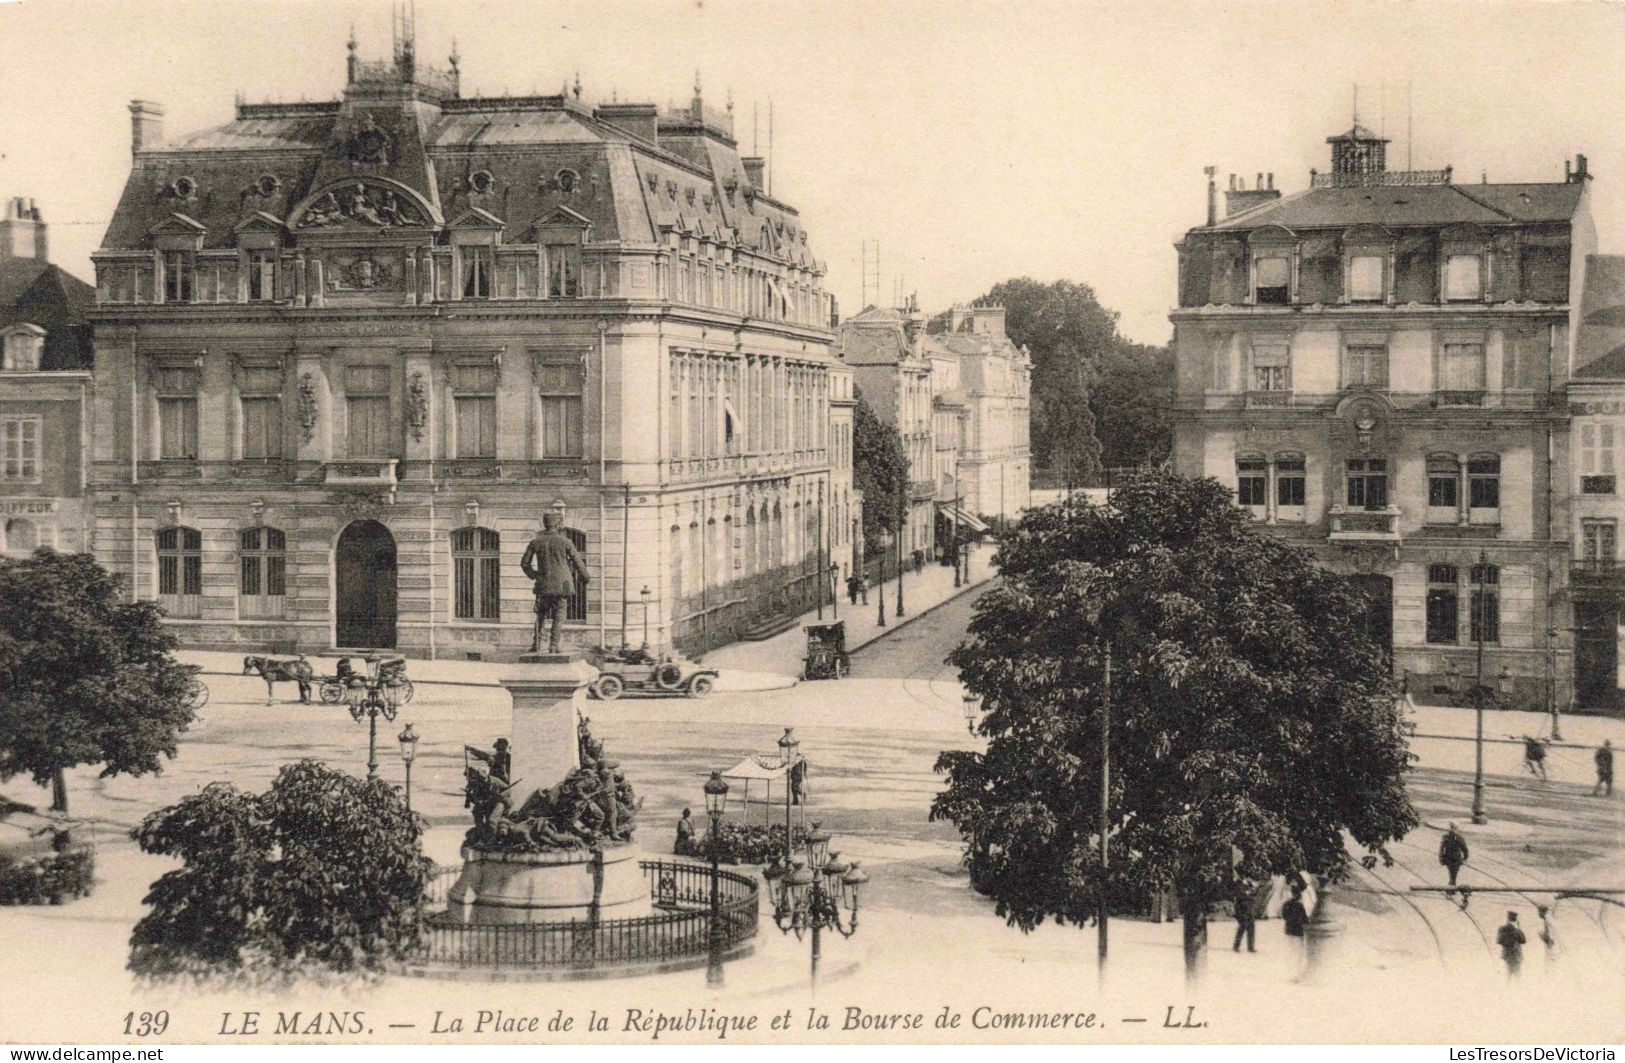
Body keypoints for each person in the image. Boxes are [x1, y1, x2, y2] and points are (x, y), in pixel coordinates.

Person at [521, 512, 590, 654]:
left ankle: (537, 644)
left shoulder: (536, 542)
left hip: (543, 585)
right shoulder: (565, 541)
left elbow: (524, 564)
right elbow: (578, 562)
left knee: (541, 615)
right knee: (559, 615)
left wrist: (535, 576)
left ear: (545, 524)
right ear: (557, 524)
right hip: (562, 586)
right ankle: (553, 645)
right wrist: (585, 578)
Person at [1439, 823, 1469, 889]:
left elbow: (1441, 849)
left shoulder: (1446, 837)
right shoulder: (1460, 838)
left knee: (1452, 874)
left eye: (1453, 828)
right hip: (1455, 859)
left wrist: (1441, 858)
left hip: (1450, 859)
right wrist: (1465, 858)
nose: (1452, 830)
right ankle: (1452, 886)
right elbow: (1465, 850)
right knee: (1453, 874)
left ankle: (1452, 885)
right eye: (1452, 828)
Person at [1497, 911, 1526, 979]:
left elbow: (1499, 941)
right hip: (1514, 956)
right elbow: (1523, 941)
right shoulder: (1514, 929)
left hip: (1509, 956)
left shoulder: (1502, 928)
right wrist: (1518, 929)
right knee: (1516, 977)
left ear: (1508, 918)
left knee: (1508, 977)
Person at [1232, 878, 1257, 953]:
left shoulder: (1250, 886)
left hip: (1249, 911)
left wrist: (1253, 890)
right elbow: (1240, 898)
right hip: (1242, 911)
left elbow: (1254, 895)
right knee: (1242, 929)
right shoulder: (1240, 887)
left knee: (1251, 929)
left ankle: (1250, 947)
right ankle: (1236, 946)